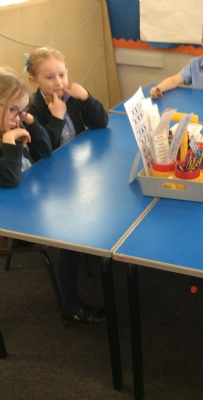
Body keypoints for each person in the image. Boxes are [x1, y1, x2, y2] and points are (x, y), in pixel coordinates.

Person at [25, 47, 109, 325]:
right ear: (34, 81)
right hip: (49, 188)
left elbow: (101, 122)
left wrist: (87, 98)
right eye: (49, 77)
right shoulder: (33, 110)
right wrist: (57, 118)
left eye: (62, 74)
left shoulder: (69, 96)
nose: (58, 82)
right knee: (72, 241)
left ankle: (96, 248)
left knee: (104, 201)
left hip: (76, 176)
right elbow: (42, 152)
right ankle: (70, 305)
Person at [0, 66, 52, 187]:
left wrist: (30, 121)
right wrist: (9, 140)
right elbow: (9, 179)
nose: (17, 119)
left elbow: (45, 151)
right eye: (12, 109)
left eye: (21, 112)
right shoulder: (10, 134)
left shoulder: (14, 126)